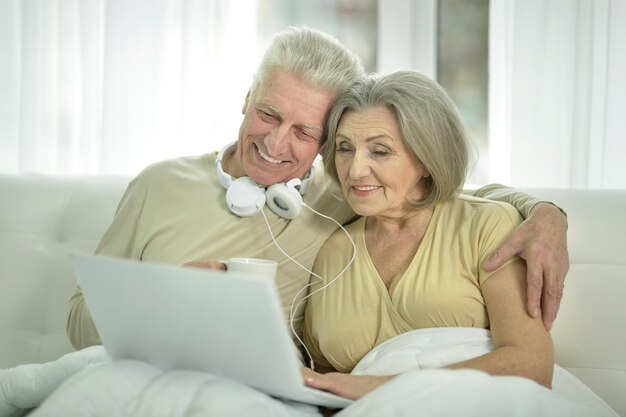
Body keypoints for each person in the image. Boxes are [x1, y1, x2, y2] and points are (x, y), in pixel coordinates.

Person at [67, 26, 568, 351]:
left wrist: (546, 213)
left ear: (327, 143)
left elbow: (439, 190)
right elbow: (77, 318)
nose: (275, 143)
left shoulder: (345, 192)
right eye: (267, 113)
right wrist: (160, 297)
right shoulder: (159, 184)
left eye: (305, 132)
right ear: (246, 98)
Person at [301, 70, 553, 403]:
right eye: (345, 148)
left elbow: (532, 363)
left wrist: (382, 387)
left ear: (427, 159)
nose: (355, 169)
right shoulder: (331, 251)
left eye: (380, 151)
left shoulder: (486, 226)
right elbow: (324, 381)